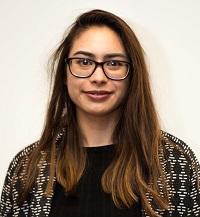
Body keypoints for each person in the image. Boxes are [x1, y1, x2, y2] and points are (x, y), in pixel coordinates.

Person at [0, 9, 199, 217]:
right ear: (65, 74)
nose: (98, 77)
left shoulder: (177, 162)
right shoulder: (26, 169)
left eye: (114, 63)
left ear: (133, 75)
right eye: (84, 62)